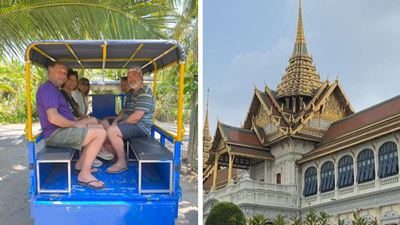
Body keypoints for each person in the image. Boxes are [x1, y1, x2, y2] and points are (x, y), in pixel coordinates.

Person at [36, 62, 106, 190]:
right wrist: (75, 124)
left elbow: (64, 115)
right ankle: (84, 175)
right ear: (50, 71)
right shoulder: (48, 89)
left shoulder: (54, 89)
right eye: (59, 71)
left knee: (98, 127)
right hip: (56, 133)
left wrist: (78, 121)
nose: (63, 75)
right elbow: (53, 117)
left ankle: (80, 165)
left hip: (62, 129)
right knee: (100, 133)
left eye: (65, 72)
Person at [101, 67, 155, 173]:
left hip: (140, 127)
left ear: (141, 77)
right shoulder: (132, 93)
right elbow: (125, 110)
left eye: (134, 75)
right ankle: (112, 152)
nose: (131, 78)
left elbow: (137, 117)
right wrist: (116, 121)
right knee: (104, 122)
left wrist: (118, 124)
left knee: (112, 131)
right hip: (130, 124)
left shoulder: (145, 91)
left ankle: (122, 161)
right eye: (129, 76)